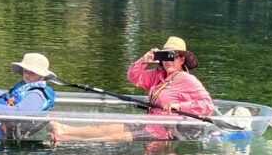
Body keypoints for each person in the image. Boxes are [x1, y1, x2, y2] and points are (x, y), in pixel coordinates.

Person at [50, 36, 215, 142]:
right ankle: (63, 132)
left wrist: (179, 106)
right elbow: (134, 76)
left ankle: (65, 136)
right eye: (164, 56)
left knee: (115, 137)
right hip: (147, 123)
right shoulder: (158, 75)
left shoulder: (187, 79)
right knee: (108, 128)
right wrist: (143, 60)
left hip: (162, 132)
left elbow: (207, 105)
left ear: (181, 60)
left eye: (172, 56)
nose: (167, 61)